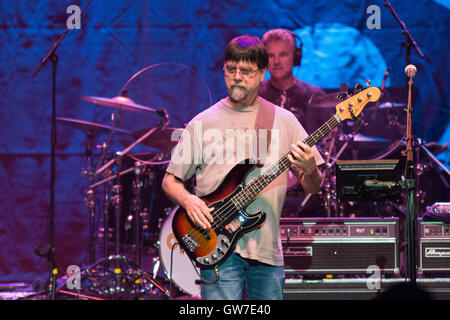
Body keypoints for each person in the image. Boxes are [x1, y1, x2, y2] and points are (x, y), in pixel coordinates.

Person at [161, 35, 324, 300]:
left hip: (266, 248)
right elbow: (170, 180)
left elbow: (313, 186)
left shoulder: (284, 121)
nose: (237, 77)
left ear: (262, 74)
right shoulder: (202, 122)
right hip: (214, 244)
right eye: (231, 69)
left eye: (246, 71)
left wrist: (311, 169)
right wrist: (189, 201)